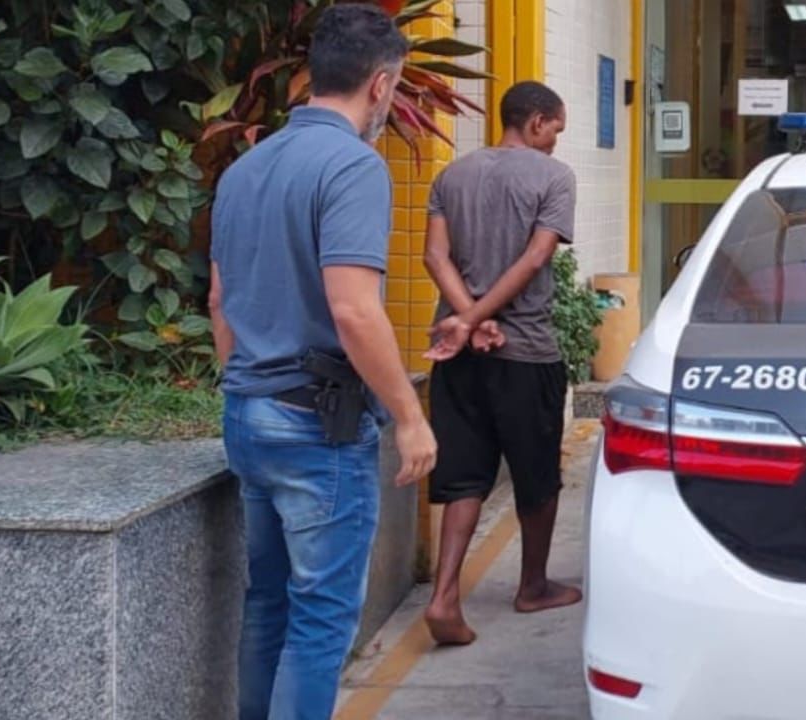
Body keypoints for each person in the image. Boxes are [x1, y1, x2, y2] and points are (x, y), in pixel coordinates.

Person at [208, 5, 446, 718]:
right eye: (396, 89)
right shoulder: (353, 167)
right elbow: (353, 308)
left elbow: (220, 300)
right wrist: (410, 416)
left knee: (268, 608)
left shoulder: (246, 167)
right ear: (379, 86)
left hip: (249, 415)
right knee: (319, 624)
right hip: (319, 430)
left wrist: (244, 385)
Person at [420, 81, 582, 645]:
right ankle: (533, 586)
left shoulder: (453, 175)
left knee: (464, 474)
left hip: (459, 356)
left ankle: (444, 597)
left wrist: (464, 318)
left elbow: (433, 256)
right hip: (525, 352)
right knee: (537, 473)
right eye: (556, 131)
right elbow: (537, 257)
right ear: (537, 122)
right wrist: (481, 318)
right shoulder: (554, 178)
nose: (556, 144)